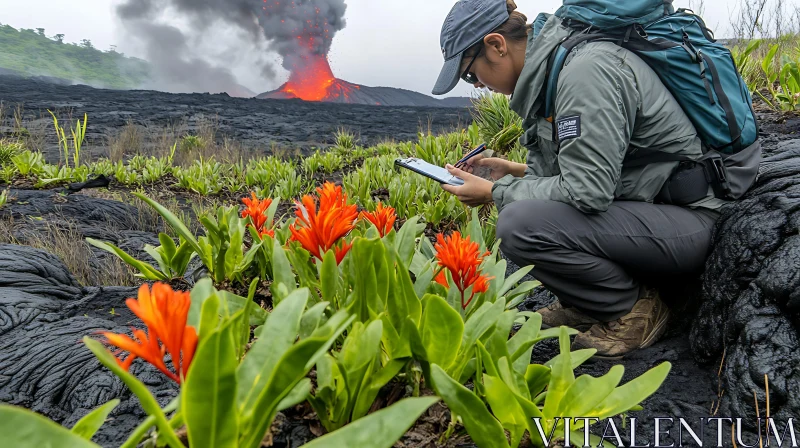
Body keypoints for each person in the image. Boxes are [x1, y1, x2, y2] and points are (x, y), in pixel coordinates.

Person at [431, 0, 727, 359]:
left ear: (496, 45)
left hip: (691, 220)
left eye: (470, 73)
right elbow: (591, 167)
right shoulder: (551, 75)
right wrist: (513, 170)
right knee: (528, 214)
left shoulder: (584, 73)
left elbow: (587, 192)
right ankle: (588, 304)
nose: (477, 85)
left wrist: (497, 191)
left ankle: (632, 309)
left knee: (520, 225)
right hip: (651, 208)